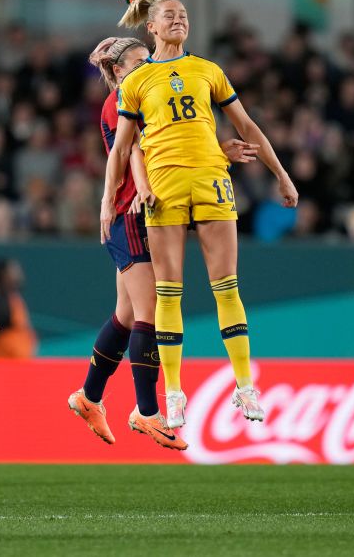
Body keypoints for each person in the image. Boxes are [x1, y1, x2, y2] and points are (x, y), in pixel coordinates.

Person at [101, 0, 299, 429]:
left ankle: (245, 385)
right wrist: (106, 199)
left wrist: (280, 174)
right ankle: (174, 393)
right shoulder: (136, 82)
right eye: (169, 14)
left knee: (226, 287)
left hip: (212, 179)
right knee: (170, 293)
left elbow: (246, 126)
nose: (179, 19)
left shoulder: (209, 70)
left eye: (185, 15)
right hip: (166, 188)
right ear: (151, 26)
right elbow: (122, 148)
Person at [71, 36, 258, 450]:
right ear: (118, 71)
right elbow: (136, 151)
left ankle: (89, 396)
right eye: (139, 61)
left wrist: (217, 154)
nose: (149, 64)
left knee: (124, 315)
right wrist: (132, 190)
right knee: (151, 311)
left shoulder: (144, 90)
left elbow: (174, 146)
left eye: (148, 58)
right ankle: (147, 411)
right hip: (133, 211)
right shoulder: (124, 99)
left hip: (139, 207)